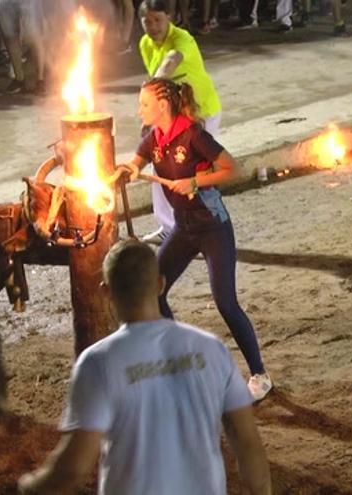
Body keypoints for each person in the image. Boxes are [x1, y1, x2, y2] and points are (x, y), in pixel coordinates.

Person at [18, 239, 272, 495]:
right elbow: (248, 444)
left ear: (106, 292)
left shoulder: (97, 363)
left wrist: (31, 485)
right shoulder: (211, 349)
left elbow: (73, 467)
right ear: (160, 284)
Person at [118, 78, 273, 401]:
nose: (139, 110)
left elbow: (234, 169)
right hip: (183, 228)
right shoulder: (153, 138)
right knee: (153, 290)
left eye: (144, 104)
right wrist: (123, 171)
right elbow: (134, 164)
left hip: (212, 226)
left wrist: (195, 181)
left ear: (163, 106)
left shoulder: (193, 135)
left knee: (225, 303)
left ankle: (260, 374)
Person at [137, 0, 222, 244]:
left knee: (194, 171)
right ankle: (168, 226)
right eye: (147, 21)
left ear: (170, 18)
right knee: (161, 166)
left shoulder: (183, 39)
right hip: (176, 116)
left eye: (157, 20)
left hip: (202, 113)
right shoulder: (145, 44)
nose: (153, 26)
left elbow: (168, 64)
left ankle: (208, 224)